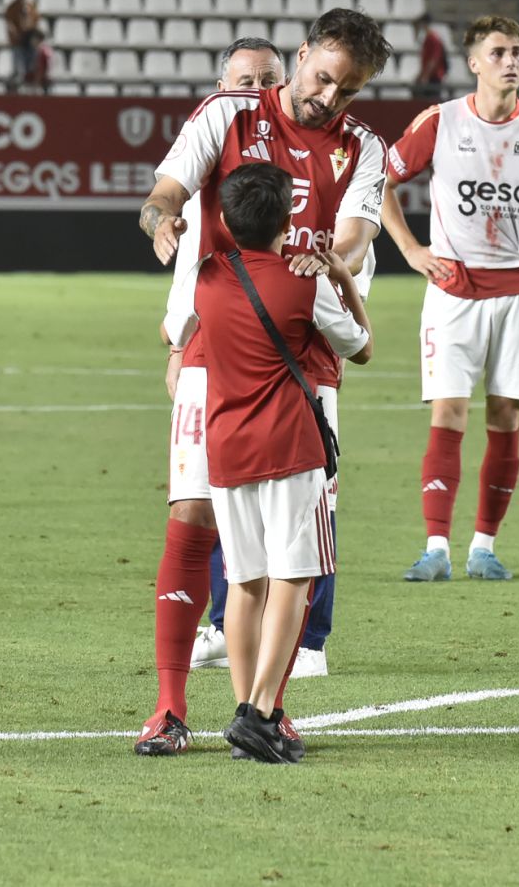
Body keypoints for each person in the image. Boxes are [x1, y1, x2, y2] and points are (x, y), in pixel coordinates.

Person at [133, 10, 393, 757]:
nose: (327, 98)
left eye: (346, 91)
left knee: (291, 549)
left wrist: (325, 265)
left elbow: (354, 235)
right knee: (192, 518)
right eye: (320, 79)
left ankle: (264, 709)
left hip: (305, 360)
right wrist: (159, 221)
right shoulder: (228, 113)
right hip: (217, 350)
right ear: (301, 56)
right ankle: (169, 707)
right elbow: (168, 189)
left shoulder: (364, 147)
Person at [379, 17, 519, 581]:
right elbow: (381, 182)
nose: (512, 61)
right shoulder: (441, 121)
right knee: (449, 411)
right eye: (499, 52)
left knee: (505, 415)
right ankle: (436, 548)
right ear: (475, 63)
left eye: (518, 52)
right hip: (453, 289)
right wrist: (409, 250)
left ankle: (484, 546)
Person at [193, 163, 371, 764]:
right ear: (291, 219)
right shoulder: (304, 283)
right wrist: (343, 275)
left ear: (223, 219)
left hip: (226, 446)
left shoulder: (207, 278)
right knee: (294, 578)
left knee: (243, 583)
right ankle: (262, 712)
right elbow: (362, 348)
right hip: (291, 447)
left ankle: (249, 710)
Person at [175, 42, 339, 681]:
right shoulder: (223, 152)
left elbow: (351, 247)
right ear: (222, 85)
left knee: (276, 544)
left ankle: (305, 645)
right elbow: (360, 338)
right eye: (243, 81)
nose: (254, 91)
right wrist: (176, 348)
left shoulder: (331, 158)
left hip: (271, 398)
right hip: (267, 405)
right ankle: (256, 696)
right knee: (275, 544)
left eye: (264, 80)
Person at [413, 13, 447, 98]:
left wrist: (425, 76)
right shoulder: (429, 38)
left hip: (434, 77)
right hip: (430, 76)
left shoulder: (433, 39)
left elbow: (434, 59)